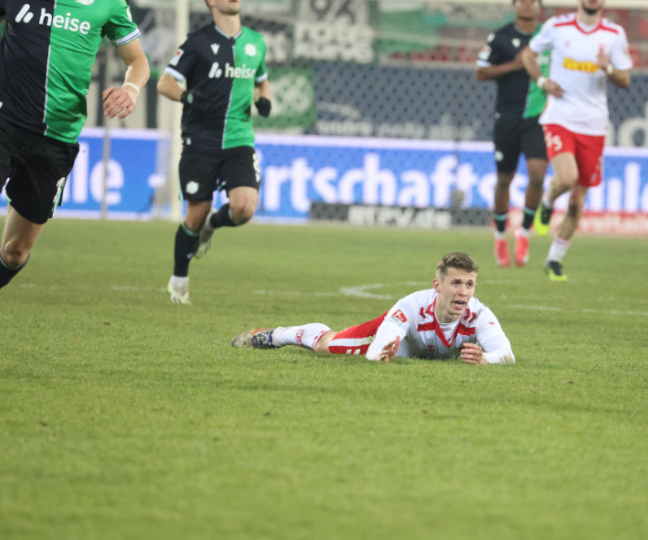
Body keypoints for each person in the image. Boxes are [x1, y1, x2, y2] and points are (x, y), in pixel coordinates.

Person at [0, 0, 148, 324]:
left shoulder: (109, 4)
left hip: (57, 139)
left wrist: (131, 88)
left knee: (15, 253)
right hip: (0, 120)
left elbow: (137, 60)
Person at [156, 0, 271, 304]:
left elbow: (262, 82)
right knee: (195, 214)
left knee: (245, 208)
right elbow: (164, 83)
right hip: (201, 139)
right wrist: (188, 97)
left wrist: (264, 100)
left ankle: (213, 225)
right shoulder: (197, 43)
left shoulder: (256, 42)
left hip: (239, 138)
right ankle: (179, 280)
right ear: (210, 2)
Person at [231, 252, 516, 365]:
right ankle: (278, 335)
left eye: (470, 285)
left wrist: (486, 360)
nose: (464, 292)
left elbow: (507, 354)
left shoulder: (479, 315)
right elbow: (378, 347)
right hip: (400, 345)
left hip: (413, 351)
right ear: (437, 286)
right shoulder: (412, 306)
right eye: (456, 283)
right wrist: (380, 354)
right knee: (328, 346)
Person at [521, 0, 632, 281]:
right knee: (567, 177)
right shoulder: (557, 27)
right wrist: (543, 82)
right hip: (560, 118)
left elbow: (625, 79)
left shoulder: (614, 34)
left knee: (576, 203)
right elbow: (528, 56)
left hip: (594, 126)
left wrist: (607, 68)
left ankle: (554, 260)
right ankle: (547, 201)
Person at [476, 0, 549, 268]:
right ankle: (499, 235)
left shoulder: (548, 36)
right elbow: (480, 72)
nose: (528, 5)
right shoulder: (501, 36)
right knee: (504, 179)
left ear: (540, 7)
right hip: (506, 117)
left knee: (538, 176)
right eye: (523, 0)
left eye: (533, 1)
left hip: (539, 117)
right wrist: (515, 65)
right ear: (514, 5)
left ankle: (525, 232)